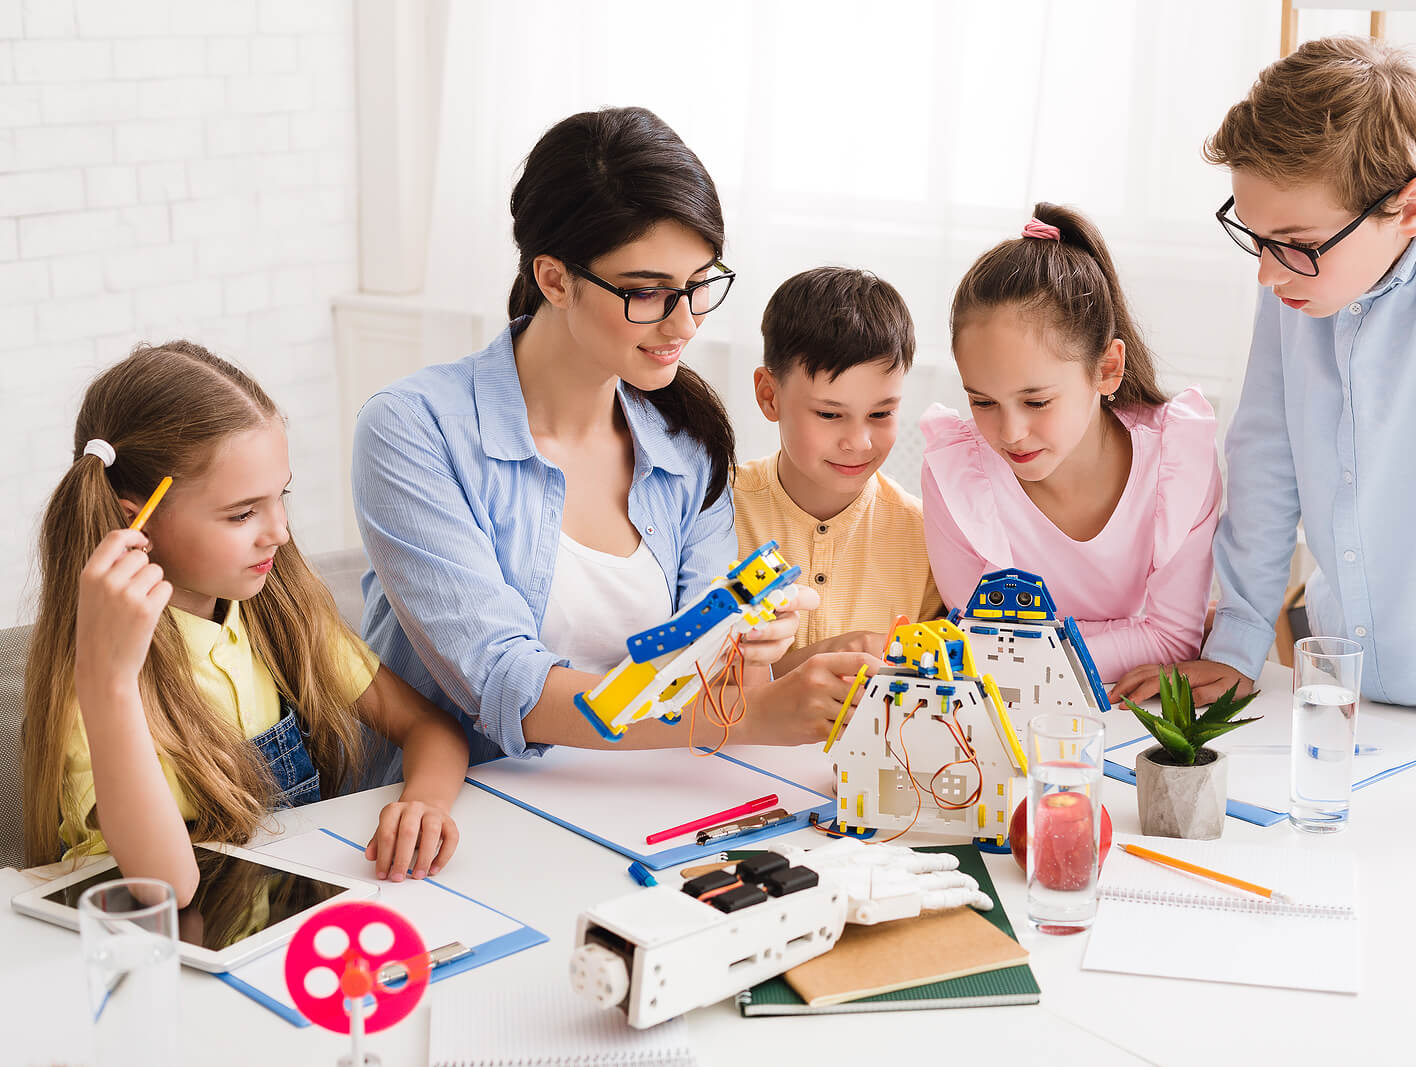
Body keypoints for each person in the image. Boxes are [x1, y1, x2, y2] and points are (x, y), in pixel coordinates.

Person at [1113, 36, 1416, 819]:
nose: (1268, 276)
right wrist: (1238, 643)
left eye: (1295, 248)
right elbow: (1267, 448)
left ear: (1409, 209)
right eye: (1256, 238)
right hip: (1341, 698)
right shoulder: (1302, 264)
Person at [353, 107, 877, 774]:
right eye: (647, 293)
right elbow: (504, 682)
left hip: (641, 800)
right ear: (554, 279)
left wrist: (748, 642)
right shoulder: (412, 431)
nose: (683, 323)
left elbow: (705, 676)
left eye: (699, 285)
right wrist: (749, 715)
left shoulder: (685, 440)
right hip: (464, 814)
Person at [21, 342, 469, 905]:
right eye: (242, 513)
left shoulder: (277, 611)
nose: (278, 531)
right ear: (137, 520)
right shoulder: (95, 681)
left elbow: (431, 728)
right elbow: (166, 890)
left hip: (284, 919)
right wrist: (110, 687)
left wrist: (422, 803)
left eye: (280, 497)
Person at [920, 205, 1221, 685]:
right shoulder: (958, 475)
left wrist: (1038, 654)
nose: (1011, 432)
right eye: (982, 401)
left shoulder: (1176, 462)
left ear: (1107, 370)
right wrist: (1127, 637)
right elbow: (983, 654)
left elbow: (1172, 641)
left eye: (1036, 402)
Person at [733, 267, 943, 674]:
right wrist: (815, 660)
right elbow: (687, 680)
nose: (859, 442)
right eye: (830, 413)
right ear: (768, 396)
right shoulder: (714, 511)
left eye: (881, 413)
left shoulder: (926, 536)